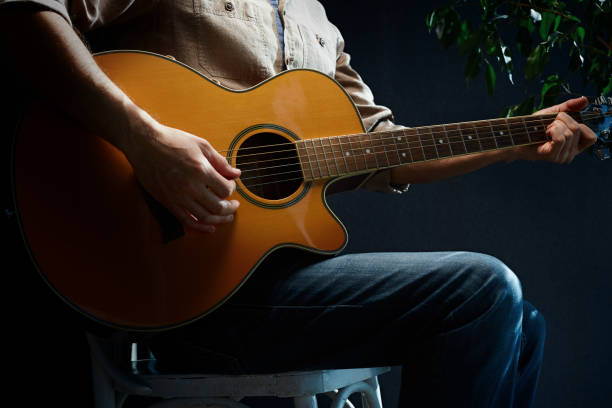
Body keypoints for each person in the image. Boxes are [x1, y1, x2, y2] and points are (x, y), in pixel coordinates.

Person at [0, 1, 597, 407]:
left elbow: (380, 149)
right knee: (484, 291)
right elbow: (28, 17)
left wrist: (521, 136)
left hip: (284, 287)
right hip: (177, 290)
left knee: (523, 325)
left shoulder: (315, 20)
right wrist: (144, 139)